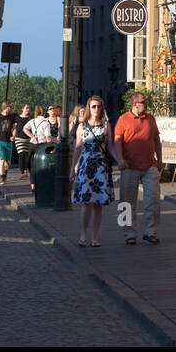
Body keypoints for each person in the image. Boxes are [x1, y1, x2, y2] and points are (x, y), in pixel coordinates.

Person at [114, 92, 163, 244]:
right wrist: (120, 159)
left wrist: (160, 159)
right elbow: (117, 140)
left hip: (149, 165)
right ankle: (128, 234)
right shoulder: (123, 120)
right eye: (143, 102)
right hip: (129, 166)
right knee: (126, 203)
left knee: (153, 201)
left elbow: (156, 139)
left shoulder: (150, 119)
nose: (146, 105)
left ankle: (151, 232)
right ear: (135, 105)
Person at [71, 96, 118, 246]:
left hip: (101, 166)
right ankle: (83, 234)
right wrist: (73, 168)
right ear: (88, 108)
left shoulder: (106, 126)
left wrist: (119, 160)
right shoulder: (82, 126)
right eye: (93, 107)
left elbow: (110, 146)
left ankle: (94, 237)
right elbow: (78, 148)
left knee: (98, 203)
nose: (96, 109)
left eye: (99, 106)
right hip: (86, 166)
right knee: (87, 203)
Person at [0, 100, 17, 187]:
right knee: (2, 160)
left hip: (8, 142)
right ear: (6, 107)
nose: (11, 108)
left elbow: (13, 128)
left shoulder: (11, 117)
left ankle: (5, 173)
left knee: (8, 163)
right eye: (10, 107)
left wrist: (13, 136)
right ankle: (2, 177)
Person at [26, 104, 52, 193]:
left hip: (33, 145)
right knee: (42, 166)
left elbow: (24, 128)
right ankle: (41, 183)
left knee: (32, 166)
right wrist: (51, 147)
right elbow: (48, 136)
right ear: (44, 112)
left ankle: (33, 185)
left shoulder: (32, 121)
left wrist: (32, 136)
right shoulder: (46, 123)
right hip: (42, 146)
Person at [12, 103, 33, 178]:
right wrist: (13, 136)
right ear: (22, 109)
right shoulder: (17, 118)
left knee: (27, 155)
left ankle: (25, 171)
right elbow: (14, 128)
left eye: (29, 108)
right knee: (21, 154)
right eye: (26, 108)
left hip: (28, 139)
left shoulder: (30, 118)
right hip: (19, 139)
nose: (28, 109)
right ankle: (22, 172)